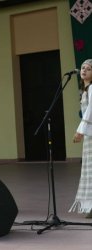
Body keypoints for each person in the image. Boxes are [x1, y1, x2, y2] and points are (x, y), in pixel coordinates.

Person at [69, 59, 92, 217]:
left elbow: (90, 110)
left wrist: (80, 131)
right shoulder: (84, 90)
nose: (84, 70)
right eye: (82, 68)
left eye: (88, 68)